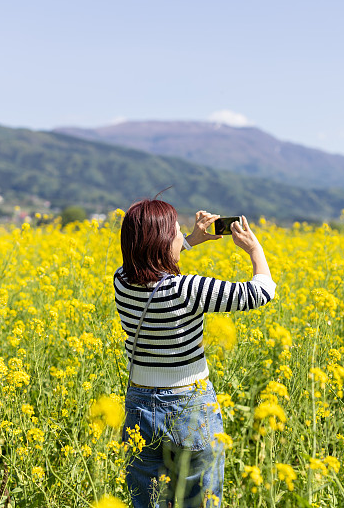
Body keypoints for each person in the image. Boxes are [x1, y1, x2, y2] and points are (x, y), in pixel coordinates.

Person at [115, 199, 276, 508]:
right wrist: (254, 249)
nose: (180, 235)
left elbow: (149, 266)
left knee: (147, 502)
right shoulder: (187, 289)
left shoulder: (121, 282)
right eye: (176, 231)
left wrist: (190, 240)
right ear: (163, 243)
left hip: (139, 409)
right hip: (189, 408)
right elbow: (261, 292)